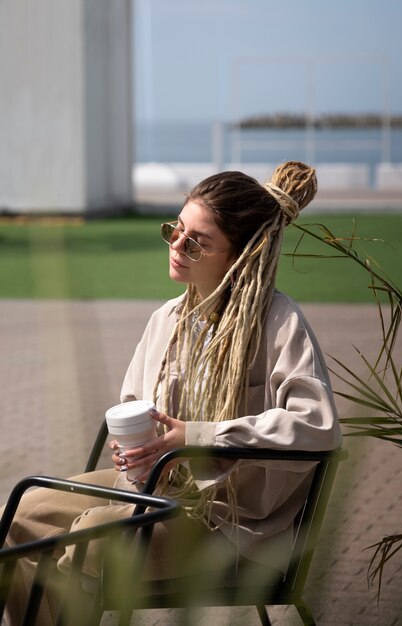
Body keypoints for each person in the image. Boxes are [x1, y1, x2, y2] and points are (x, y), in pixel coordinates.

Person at [1, 161, 342, 625]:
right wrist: (132, 450)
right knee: (20, 511)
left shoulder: (277, 323)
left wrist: (198, 437)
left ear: (239, 255)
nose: (177, 247)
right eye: (175, 230)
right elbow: (132, 405)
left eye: (197, 243)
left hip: (230, 523)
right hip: (154, 490)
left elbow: (317, 427)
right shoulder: (166, 319)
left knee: (93, 538)